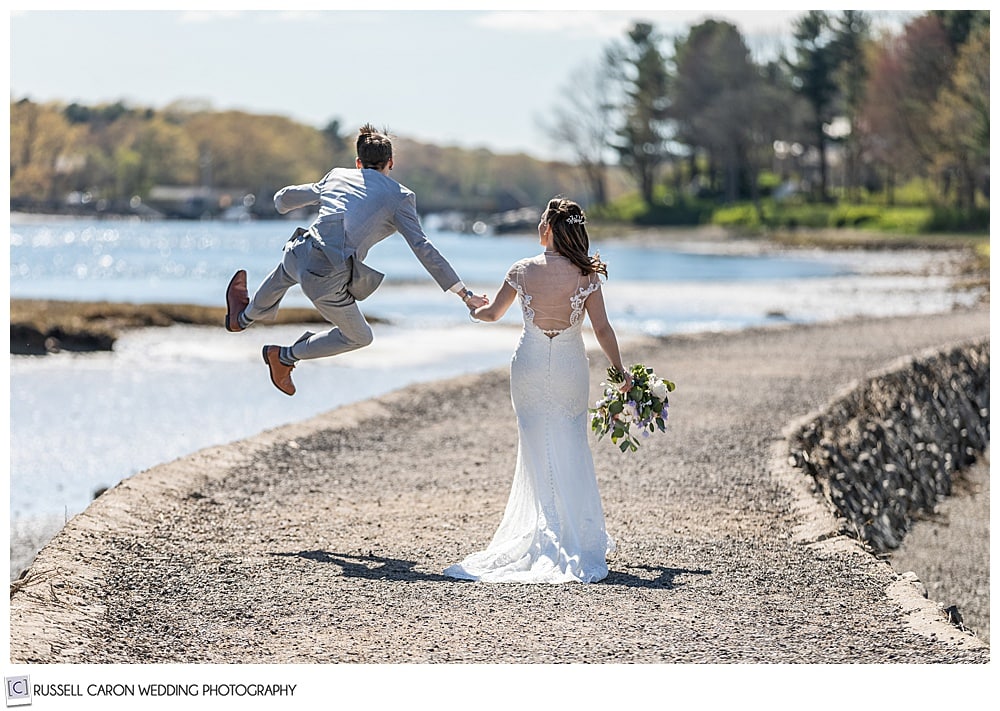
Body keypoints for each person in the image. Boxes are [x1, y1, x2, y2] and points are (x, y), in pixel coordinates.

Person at [444, 197, 632, 584]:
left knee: (534, 447)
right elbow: (602, 330)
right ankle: (573, 533)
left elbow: (492, 314)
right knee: (570, 441)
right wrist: (620, 371)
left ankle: (546, 529)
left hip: (528, 364)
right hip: (569, 365)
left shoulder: (522, 269)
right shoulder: (586, 275)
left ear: (547, 228)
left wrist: (470, 305)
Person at [225, 124, 487, 395]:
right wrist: (464, 294)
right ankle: (284, 357)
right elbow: (423, 248)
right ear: (391, 163)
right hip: (325, 275)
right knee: (360, 336)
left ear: (358, 162)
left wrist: (281, 201)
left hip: (300, 249)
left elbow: (286, 199)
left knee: (287, 270)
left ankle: (241, 318)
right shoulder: (400, 197)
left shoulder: (338, 176)